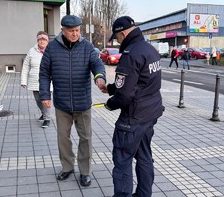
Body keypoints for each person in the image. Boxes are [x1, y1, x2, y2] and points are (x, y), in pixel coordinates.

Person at [100, 16, 165, 197]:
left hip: (133, 118)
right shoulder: (149, 49)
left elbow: (125, 95)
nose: (117, 40)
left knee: (122, 159)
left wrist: (110, 103)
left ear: (122, 33)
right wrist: (111, 89)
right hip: (150, 113)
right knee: (144, 156)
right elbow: (139, 82)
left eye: (117, 37)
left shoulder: (130, 54)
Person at [39, 15, 106, 187]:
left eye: (77, 30)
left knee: (86, 138)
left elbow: (97, 64)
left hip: (82, 102)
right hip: (62, 103)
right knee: (63, 138)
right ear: (63, 30)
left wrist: (99, 77)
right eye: (71, 31)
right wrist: (45, 95)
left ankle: (85, 171)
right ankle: (67, 167)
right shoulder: (52, 48)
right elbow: (44, 73)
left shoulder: (87, 46)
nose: (75, 34)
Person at [21, 31, 52, 128]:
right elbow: (26, 66)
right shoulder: (32, 51)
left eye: (44, 39)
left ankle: (47, 119)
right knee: (38, 100)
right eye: (40, 39)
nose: (42, 41)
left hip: (48, 81)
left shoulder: (51, 51)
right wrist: (23, 81)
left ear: (47, 41)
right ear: (37, 40)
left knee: (45, 99)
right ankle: (44, 113)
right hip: (35, 80)